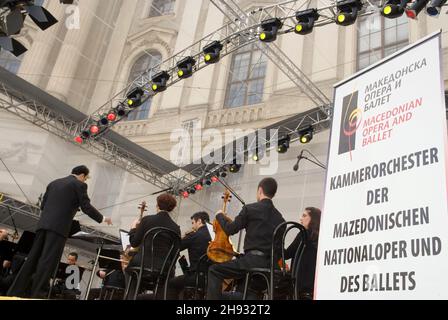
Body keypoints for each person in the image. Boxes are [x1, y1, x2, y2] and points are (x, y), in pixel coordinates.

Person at [7, 165, 112, 298]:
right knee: (48, 260)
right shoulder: (79, 185)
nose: (85, 181)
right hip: (58, 228)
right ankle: (38, 294)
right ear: (83, 176)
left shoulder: (54, 183)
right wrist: (103, 218)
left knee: (32, 258)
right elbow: (86, 207)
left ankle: (15, 291)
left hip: (43, 225)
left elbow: (43, 206)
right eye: (85, 179)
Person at [207, 177, 285, 300]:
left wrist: (219, 215)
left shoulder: (250, 209)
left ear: (260, 190)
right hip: (271, 270)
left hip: (251, 263)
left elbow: (230, 229)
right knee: (248, 286)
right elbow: (279, 251)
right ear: (273, 193)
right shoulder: (281, 219)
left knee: (214, 270)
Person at [125, 193, 181, 299]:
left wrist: (133, 229)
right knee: (163, 280)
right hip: (163, 268)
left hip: (141, 264)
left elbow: (134, 243)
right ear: (171, 209)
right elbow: (175, 253)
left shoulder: (147, 220)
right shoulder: (176, 228)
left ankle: (131, 297)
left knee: (129, 272)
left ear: (157, 205)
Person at [167, 211, 212, 299]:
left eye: (193, 223)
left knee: (170, 283)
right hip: (212, 278)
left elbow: (177, 247)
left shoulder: (194, 236)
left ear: (199, 221)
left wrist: (185, 236)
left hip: (196, 277)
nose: (192, 226)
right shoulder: (216, 236)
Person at [284, 207, 321, 300]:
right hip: (313, 290)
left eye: (304, 216)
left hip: (298, 290)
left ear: (313, 219)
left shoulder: (303, 235)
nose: (301, 219)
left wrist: (276, 243)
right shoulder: (321, 239)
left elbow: (285, 254)